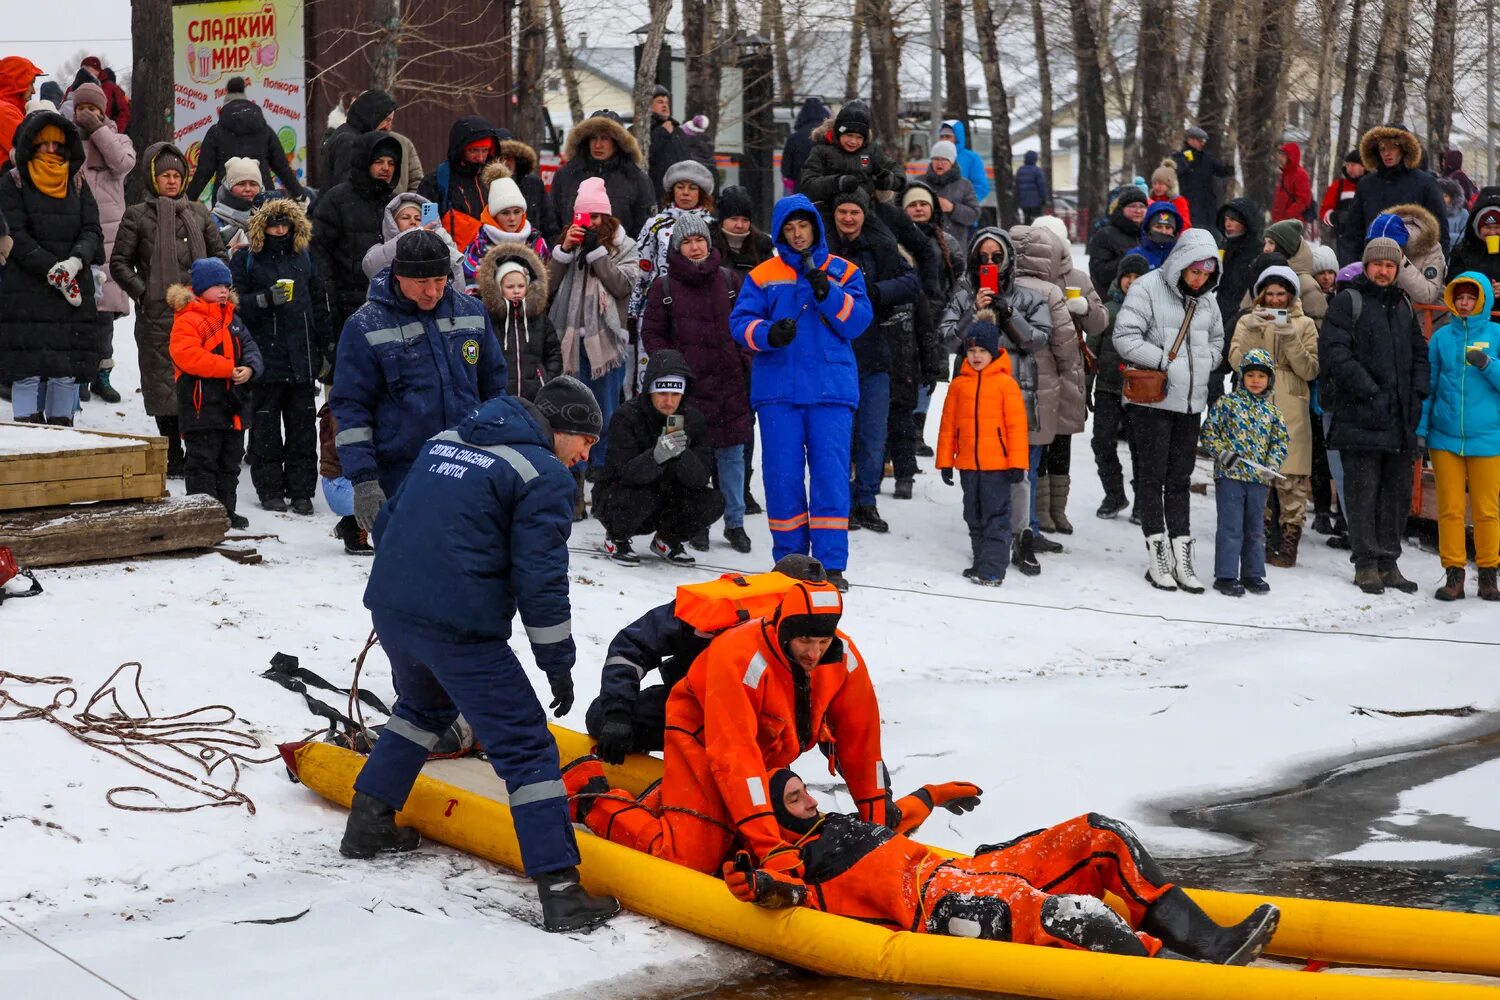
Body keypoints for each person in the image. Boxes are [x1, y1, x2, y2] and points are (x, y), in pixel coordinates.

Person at [342, 379, 621, 934]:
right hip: (459, 627)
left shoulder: (447, 440)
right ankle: (562, 893)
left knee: (422, 709)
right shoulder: (542, 474)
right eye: (585, 441)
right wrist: (556, 661)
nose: (587, 455)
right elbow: (541, 579)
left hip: (394, 608)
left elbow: (394, 520)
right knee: (525, 746)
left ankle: (368, 822)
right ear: (559, 430)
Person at [722, 769, 1280, 964]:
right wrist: (762, 886)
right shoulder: (789, 860)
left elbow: (896, 817)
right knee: (1069, 914)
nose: (811, 802)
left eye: (805, 792)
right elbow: (781, 895)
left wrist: (935, 793)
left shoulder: (838, 823)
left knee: (1100, 832)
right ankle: (1164, 976)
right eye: (795, 800)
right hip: (936, 909)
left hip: (967, 870)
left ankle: (1209, 942)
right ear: (771, 815)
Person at [563, 579, 893, 874]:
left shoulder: (839, 656)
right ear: (787, 627)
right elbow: (735, 756)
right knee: (692, 857)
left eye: (822, 642)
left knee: (791, 828)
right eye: (806, 641)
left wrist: (877, 821)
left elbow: (861, 744)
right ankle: (592, 796)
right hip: (701, 729)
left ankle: (667, 800)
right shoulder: (735, 650)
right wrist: (769, 847)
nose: (814, 652)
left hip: (768, 740)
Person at [730, 195, 873, 592]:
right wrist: (768, 334)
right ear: (779, 233)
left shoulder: (844, 272)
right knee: (782, 478)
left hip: (831, 391)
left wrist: (829, 294)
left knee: (830, 477)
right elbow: (740, 322)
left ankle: (830, 563)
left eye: (802, 227)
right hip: (779, 391)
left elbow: (858, 322)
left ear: (815, 227)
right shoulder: (762, 274)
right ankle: (790, 560)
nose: (797, 235)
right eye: (789, 230)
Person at [333, 229, 507, 525]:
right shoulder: (364, 325)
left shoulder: (472, 312)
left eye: (440, 281)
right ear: (398, 276)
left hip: (468, 464)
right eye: (422, 282)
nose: (433, 292)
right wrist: (364, 480)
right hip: (401, 473)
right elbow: (351, 407)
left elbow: (495, 387)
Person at [583, 554, 830, 761]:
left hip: (729, 724)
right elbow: (633, 646)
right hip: (715, 716)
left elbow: (839, 701)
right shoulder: (720, 606)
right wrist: (617, 713)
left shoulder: (722, 604)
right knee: (602, 715)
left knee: (601, 716)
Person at [1113, 228, 1226, 593]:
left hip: (1190, 404)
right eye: (1195, 272)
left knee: (1179, 479)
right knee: (1152, 476)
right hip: (1153, 401)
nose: (1200, 279)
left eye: (1207, 274)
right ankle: (1157, 552)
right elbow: (1124, 336)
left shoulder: (1208, 299)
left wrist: (1205, 363)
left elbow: (1217, 340)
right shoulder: (1147, 287)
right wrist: (1164, 361)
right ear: (1181, 265)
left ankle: (1183, 552)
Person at [1319, 237, 1430, 594]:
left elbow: (1419, 354)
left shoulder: (1403, 304)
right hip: (1360, 416)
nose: (1384, 271)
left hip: (1399, 420)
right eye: (1378, 264)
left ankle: (1389, 561)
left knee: (1395, 496)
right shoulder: (1347, 302)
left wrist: (1417, 392)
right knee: (1362, 492)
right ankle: (1365, 562)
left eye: (1390, 265)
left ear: (1397, 269)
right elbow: (1336, 354)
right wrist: (1370, 391)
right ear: (1366, 265)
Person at [938, 228, 1052, 575]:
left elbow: (1037, 340)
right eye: (982, 258)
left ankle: (1023, 537)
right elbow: (947, 340)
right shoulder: (962, 297)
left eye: (996, 257)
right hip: (973, 400)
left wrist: (1008, 312)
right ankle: (993, 545)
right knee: (982, 483)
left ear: (1009, 259)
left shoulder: (1030, 298)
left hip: (1017, 392)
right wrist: (974, 314)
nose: (989, 263)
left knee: (1021, 476)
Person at [639, 214, 754, 553]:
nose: (695, 246)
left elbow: (748, 323)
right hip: (685, 391)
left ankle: (735, 523)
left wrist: (743, 359)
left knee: (733, 458)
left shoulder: (730, 279)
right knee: (690, 461)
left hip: (729, 385)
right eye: (687, 241)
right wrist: (672, 369)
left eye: (699, 239)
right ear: (677, 247)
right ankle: (697, 523)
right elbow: (651, 332)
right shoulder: (665, 286)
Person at [111, 142, 228, 471]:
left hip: (200, 313)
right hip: (158, 315)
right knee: (163, 383)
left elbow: (219, 256)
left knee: (198, 381)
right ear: (153, 177)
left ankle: (198, 450)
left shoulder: (199, 213)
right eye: (165, 175)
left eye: (177, 175)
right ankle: (172, 452)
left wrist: (211, 290)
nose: (172, 181)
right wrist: (145, 292)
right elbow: (120, 263)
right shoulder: (137, 216)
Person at [0, 107, 103, 425]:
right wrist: (50, 268)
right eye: (44, 143)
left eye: (57, 144)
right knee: (27, 371)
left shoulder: (78, 182)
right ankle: (28, 441)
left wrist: (74, 262)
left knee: (65, 371)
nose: (51, 150)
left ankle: (62, 435)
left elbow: (92, 229)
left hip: (71, 292)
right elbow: (13, 233)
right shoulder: (12, 183)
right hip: (27, 292)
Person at [827, 189, 922, 532]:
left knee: (873, 436)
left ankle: (866, 501)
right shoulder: (824, 247)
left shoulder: (880, 245)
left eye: (854, 211)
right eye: (843, 212)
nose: (848, 218)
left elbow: (912, 281)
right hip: (834, 356)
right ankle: (842, 503)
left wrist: (876, 292)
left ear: (864, 214)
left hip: (874, 354)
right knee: (840, 438)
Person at [231, 197, 330, 515]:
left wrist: (326, 346)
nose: (278, 229)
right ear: (262, 226)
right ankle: (270, 489)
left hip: (301, 359)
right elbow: (233, 306)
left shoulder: (305, 257)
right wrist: (264, 299)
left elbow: (318, 303)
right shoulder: (246, 259)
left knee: (303, 430)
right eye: (272, 224)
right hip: (265, 359)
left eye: (284, 223)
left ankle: (301, 491)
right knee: (266, 430)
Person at [546, 177, 640, 490]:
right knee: (573, 411)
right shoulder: (567, 245)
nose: (591, 224)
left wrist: (597, 254)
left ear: (607, 216)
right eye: (584, 218)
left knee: (607, 409)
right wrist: (563, 251)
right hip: (570, 343)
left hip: (607, 345)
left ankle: (603, 472)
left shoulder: (625, 246)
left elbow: (623, 286)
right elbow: (546, 287)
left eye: (596, 217)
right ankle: (574, 474)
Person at [595, 350, 725, 565]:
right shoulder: (627, 416)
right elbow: (622, 472)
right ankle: (616, 536)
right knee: (639, 495)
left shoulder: (693, 419)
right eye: (662, 394)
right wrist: (656, 456)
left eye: (675, 395)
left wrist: (682, 454)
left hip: (668, 496)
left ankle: (668, 538)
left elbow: (701, 477)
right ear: (650, 392)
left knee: (712, 501)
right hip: (624, 496)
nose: (668, 401)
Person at [1418, 274, 1500, 602]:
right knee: (1450, 509)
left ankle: (1489, 574)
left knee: (1486, 510)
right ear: (1452, 299)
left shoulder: (1496, 334)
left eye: (1471, 298)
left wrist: (1487, 364)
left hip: (1488, 436)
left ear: (1482, 301)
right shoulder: (1441, 339)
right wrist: (1422, 430)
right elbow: (1429, 387)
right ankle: (1454, 574)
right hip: (1445, 437)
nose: (1465, 304)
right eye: (1460, 297)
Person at [1228, 267, 1315, 568]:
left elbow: (1310, 369)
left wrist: (1290, 337)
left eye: (1282, 294)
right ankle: (1261, 539)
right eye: (1270, 294)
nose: (1276, 300)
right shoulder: (1246, 322)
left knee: (1291, 478)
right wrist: (1253, 330)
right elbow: (1237, 362)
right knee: (1257, 475)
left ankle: (1290, 543)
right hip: (1254, 403)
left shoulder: (1305, 325)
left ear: (1291, 295)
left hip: (1292, 403)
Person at [935, 310, 1029, 586]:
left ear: (993, 353)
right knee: (972, 514)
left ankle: (993, 568)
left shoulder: (1005, 385)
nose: (976, 356)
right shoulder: (959, 386)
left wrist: (1017, 464)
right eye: (971, 350)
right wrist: (945, 462)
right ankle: (980, 560)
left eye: (982, 351)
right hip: (968, 465)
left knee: (996, 516)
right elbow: (948, 426)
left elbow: (1016, 428)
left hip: (997, 467)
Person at [167, 258, 262, 527]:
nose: (223, 290)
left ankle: (225, 510)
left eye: (226, 285)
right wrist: (228, 368)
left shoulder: (232, 318)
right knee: (202, 461)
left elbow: (250, 346)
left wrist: (251, 368)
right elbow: (187, 356)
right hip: (201, 405)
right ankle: (201, 514)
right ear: (200, 287)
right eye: (216, 285)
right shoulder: (188, 318)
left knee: (229, 462)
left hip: (232, 406)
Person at [1010, 223, 1087, 548]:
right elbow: (1065, 345)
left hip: (1000, 384)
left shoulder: (999, 285)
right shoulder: (1051, 292)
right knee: (1031, 460)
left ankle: (1001, 526)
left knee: (1003, 460)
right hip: (1041, 387)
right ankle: (1029, 530)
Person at [1031, 214, 1108, 536]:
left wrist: (1085, 310)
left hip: (1067, 368)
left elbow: (1100, 322)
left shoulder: (1078, 277)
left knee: (1061, 440)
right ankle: (1038, 511)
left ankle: (1057, 510)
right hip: (1036, 367)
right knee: (1039, 439)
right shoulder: (1026, 278)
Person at [1202, 349, 1288, 597]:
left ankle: (1253, 573)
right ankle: (1226, 575)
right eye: (1250, 375)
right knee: (1231, 526)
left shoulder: (1273, 413)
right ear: (1242, 377)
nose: (1256, 380)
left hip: (1258, 481)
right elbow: (1209, 432)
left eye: (1261, 375)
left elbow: (1280, 442)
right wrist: (1221, 453)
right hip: (1230, 477)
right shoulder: (1227, 404)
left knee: (1255, 528)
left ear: (1269, 379)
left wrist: (1272, 464)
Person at [71, 80, 134, 404]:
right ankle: (80, 374)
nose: (87, 115)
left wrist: (98, 130)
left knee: (104, 316)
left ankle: (102, 375)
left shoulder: (117, 139)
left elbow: (123, 163)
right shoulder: (66, 141)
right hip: (76, 234)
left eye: (94, 110)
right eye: (82, 109)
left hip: (109, 237)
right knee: (78, 311)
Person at [312, 132, 404, 345]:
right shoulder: (336, 200)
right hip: (348, 305)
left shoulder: (397, 202)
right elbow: (320, 256)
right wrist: (329, 305)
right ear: (364, 163)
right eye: (379, 161)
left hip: (392, 303)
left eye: (391, 163)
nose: (386, 168)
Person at [1091, 254, 1151, 520]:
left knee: (1141, 447)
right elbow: (1090, 352)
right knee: (1102, 441)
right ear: (1120, 278)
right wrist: (1085, 385)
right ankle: (1113, 493)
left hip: (1141, 391)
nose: (1132, 282)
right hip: (1107, 387)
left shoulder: (1153, 312)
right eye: (1128, 276)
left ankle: (1142, 501)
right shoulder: (1106, 310)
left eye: (1138, 278)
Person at [1340, 123, 1450, 264]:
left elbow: (1440, 232)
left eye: (1393, 147)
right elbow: (1353, 233)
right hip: (1373, 266)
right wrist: (1349, 269)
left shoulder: (1425, 183)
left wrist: (1437, 268)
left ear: (1404, 148)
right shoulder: (1366, 185)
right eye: (1382, 148)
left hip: (1414, 267)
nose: (1387, 153)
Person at [547, 111, 657, 244]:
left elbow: (645, 230)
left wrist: (626, 256)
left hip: (620, 260)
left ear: (618, 143)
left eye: (605, 138)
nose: (598, 145)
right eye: (593, 138)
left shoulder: (637, 179)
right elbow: (551, 225)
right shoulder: (565, 176)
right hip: (572, 259)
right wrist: (562, 252)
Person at [630, 158, 717, 323]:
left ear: (701, 193)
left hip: (702, 307)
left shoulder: (712, 226)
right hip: (659, 306)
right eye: (680, 187)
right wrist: (633, 312)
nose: (685, 193)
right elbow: (641, 270)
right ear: (672, 191)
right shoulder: (655, 225)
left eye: (692, 188)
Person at [474, 242, 561, 401]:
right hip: (500, 395)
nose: (516, 291)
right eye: (509, 286)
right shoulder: (490, 319)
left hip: (535, 395)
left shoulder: (539, 319)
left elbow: (553, 353)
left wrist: (546, 381)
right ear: (499, 287)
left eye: (521, 286)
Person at [186, 89, 305, 202]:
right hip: (262, 196)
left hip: (226, 198)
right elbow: (282, 168)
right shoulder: (265, 131)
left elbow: (204, 172)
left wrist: (188, 199)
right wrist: (299, 195)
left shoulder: (215, 133)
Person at [415, 115, 501, 251]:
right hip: (452, 262)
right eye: (473, 150)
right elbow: (426, 227)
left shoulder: (494, 181)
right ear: (460, 150)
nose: (480, 157)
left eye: (485, 151)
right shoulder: (435, 182)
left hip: (490, 259)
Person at [797, 103, 906, 211]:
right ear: (839, 133)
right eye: (849, 135)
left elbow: (895, 168)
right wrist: (837, 183)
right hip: (828, 211)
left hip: (864, 210)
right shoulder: (822, 150)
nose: (853, 141)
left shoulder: (870, 151)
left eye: (859, 137)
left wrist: (889, 181)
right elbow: (808, 184)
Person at [461, 172, 550, 287]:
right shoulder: (479, 244)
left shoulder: (536, 242)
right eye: (505, 213)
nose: (512, 219)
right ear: (494, 216)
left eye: (517, 212)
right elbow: (469, 284)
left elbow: (545, 283)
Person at [362, 191, 467, 288]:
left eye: (418, 219)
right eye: (405, 218)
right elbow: (371, 267)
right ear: (392, 223)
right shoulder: (377, 249)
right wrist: (411, 236)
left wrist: (446, 248)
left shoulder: (436, 250)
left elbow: (457, 289)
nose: (413, 222)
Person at [1364, 206, 1446, 306]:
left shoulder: (1430, 248)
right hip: (1389, 315)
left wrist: (1401, 261)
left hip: (1427, 317)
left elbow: (1427, 295)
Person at [319, 88, 396, 189]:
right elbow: (345, 191)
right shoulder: (350, 142)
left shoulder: (354, 136)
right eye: (386, 120)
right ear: (373, 115)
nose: (388, 126)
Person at [1257, 220, 1329, 321]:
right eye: (1265, 243)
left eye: (1271, 243)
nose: (1266, 249)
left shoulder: (1306, 285)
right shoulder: (1260, 276)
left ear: (1286, 248)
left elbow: (1318, 326)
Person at [1087, 186, 1148, 291]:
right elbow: (1099, 273)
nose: (1138, 210)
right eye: (1132, 206)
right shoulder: (1105, 235)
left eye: (1142, 206)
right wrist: (1129, 259)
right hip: (1112, 297)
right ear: (1121, 209)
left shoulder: (1149, 233)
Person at [1173, 127, 1235, 231]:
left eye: (1204, 141)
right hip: (1189, 206)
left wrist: (1230, 163)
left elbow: (1222, 171)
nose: (1203, 144)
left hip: (1207, 208)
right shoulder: (1179, 157)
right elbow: (1177, 172)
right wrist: (1187, 163)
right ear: (1190, 140)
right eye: (1200, 141)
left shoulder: (1207, 159)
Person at [924, 140, 981, 244]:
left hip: (955, 246)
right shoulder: (920, 182)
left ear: (952, 162)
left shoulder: (965, 185)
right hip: (925, 245)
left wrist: (952, 208)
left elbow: (974, 215)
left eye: (944, 159)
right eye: (936, 159)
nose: (939, 163)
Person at [497, 136, 552, 238]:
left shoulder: (534, 184)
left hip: (533, 249)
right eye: (500, 158)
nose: (504, 162)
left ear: (516, 160)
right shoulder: (484, 187)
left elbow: (549, 224)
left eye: (508, 158)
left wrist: (544, 248)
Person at [1446, 188, 1500, 291]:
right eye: (1487, 227)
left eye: (1497, 227)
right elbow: (1452, 282)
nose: (1492, 232)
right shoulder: (1462, 251)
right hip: (1473, 306)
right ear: (1477, 228)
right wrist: (1477, 288)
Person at [1319, 150, 1365, 262]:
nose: (1349, 169)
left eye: (1353, 165)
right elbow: (1324, 211)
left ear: (1363, 166)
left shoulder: (1371, 186)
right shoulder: (1338, 186)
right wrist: (1334, 217)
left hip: (1365, 239)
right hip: (1342, 240)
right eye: (1348, 165)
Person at [210, 157, 263, 252]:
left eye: (253, 184)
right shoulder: (212, 221)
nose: (248, 189)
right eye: (241, 183)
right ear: (229, 187)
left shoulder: (270, 217)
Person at [781, 97, 830, 195]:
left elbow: (786, 169)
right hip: (824, 187)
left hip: (800, 187)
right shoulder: (828, 136)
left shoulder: (794, 138)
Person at [939, 119, 991, 207]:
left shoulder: (971, 158)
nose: (944, 139)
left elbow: (981, 187)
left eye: (948, 136)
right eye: (942, 136)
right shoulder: (936, 158)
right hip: (941, 214)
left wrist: (965, 205)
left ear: (957, 138)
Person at [0, 57, 44, 158]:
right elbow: (31, 151)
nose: (33, 91)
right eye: (31, 83)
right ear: (17, 83)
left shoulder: (10, 109)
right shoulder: (4, 111)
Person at [1270, 142, 1311, 224]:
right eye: (1280, 155)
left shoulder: (1300, 174)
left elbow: (1303, 200)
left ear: (1291, 157)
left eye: (1283, 156)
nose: (1280, 158)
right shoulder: (1284, 174)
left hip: (1291, 223)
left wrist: (1288, 216)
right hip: (1280, 222)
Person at [1136, 201, 1184, 269]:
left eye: (1168, 227)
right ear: (1148, 228)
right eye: (1158, 227)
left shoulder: (1183, 255)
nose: (1163, 232)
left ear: (1175, 231)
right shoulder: (1136, 255)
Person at [1147, 160, 1192, 228]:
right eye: (1154, 183)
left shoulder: (1178, 201)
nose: (1156, 187)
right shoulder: (1150, 200)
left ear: (1169, 185)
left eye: (1160, 184)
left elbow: (1185, 223)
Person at [1014, 150, 1048, 225]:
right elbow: (1041, 186)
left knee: (1027, 220)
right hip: (1036, 203)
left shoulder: (1020, 170)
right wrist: (1044, 199)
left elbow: (1016, 186)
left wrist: (1017, 200)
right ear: (1035, 159)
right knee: (1037, 221)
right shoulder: (1037, 171)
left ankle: (1026, 234)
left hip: (1023, 202)